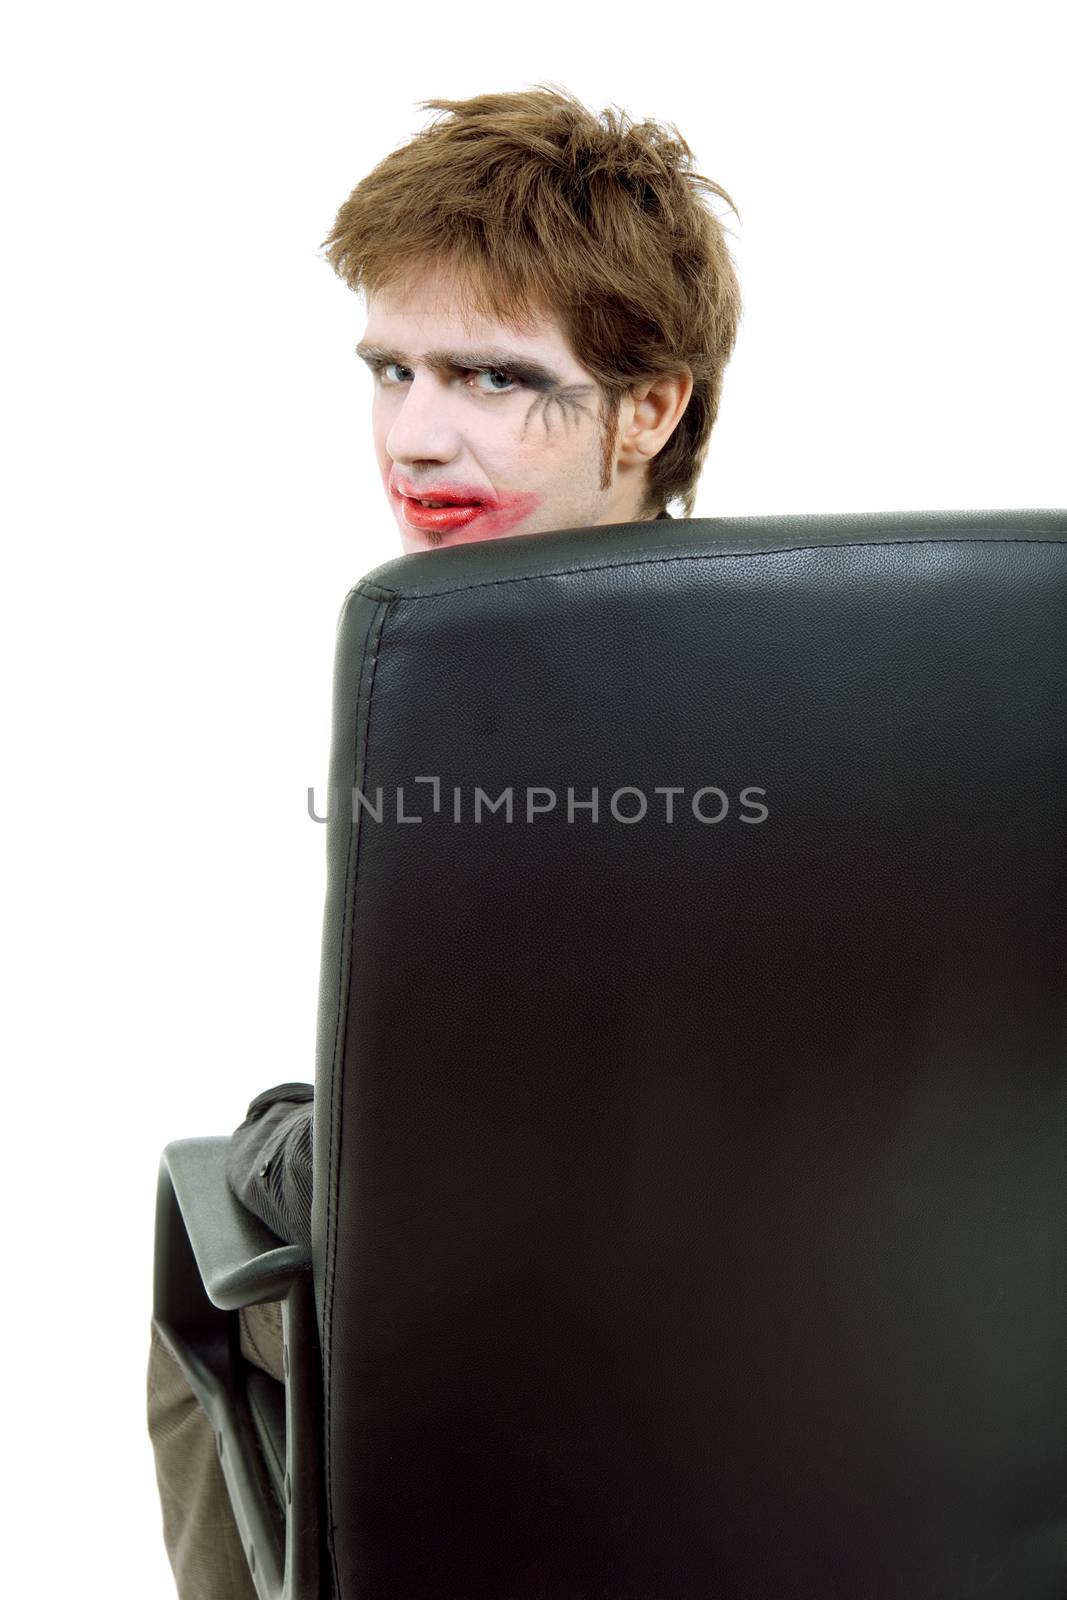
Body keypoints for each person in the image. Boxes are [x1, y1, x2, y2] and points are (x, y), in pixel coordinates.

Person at [147, 81, 742, 1599]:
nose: (413, 437)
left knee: (201, 1218)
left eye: (489, 376)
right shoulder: (866, 662)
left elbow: (419, 1182)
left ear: (650, 405)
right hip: (859, 1375)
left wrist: (284, 1133)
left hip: (552, 1364)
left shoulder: (451, 689)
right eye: (391, 369)